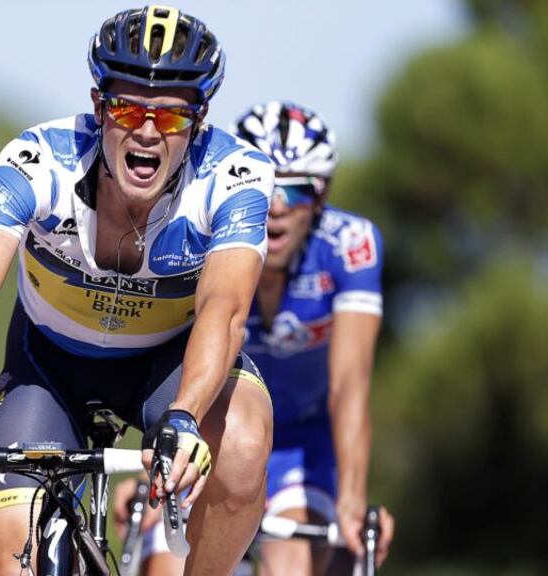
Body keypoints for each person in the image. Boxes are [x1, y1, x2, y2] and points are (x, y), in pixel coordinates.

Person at [0, 6, 275, 576]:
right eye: (128, 108)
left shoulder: (234, 176)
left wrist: (183, 417)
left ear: (198, 123)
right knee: (17, 564)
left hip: (171, 370)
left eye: (172, 119)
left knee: (245, 443)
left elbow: (224, 310)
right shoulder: (37, 161)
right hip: (49, 372)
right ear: (99, 106)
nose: (148, 131)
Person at [114, 101, 395, 575]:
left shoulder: (350, 247)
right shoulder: (203, 233)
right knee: (164, 566)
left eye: (299, 188)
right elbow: (162, 363)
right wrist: (146, 464)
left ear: (322, 198)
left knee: (291, 568)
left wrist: (351, 497)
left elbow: (350, 382)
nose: (279, 204)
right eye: (266, 183)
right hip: (215, 430)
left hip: (302, 444)